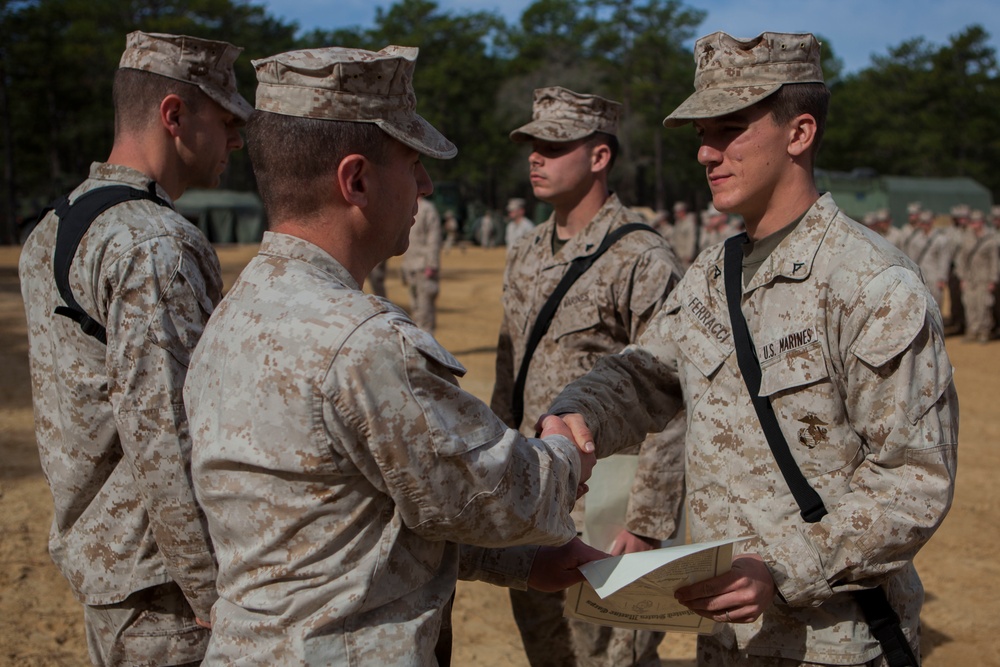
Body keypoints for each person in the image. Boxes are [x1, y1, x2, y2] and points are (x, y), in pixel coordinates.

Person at [183, 45, 602, 666]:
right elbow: (501, 495)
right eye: (413, 163)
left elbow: (355, 513)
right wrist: (570, 453)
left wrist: (523, 565)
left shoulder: (238, 312)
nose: (425, 187)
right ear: (356, 180)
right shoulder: (363, 341)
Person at [548, 31, 957, 666]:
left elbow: (914, 478)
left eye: (731, 129)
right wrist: (580, 410)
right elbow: (649, 374)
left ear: (799, 134)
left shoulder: (871, 283)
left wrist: (781, 568)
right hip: (725, 639)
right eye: (702, 135)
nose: (708, 153)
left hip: (831, 642)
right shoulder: (714, 273)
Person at [18, 31, 252, 666]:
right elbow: (165, 432)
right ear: (174, 114)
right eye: (227, 118)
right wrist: (214, 591)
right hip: (167, 587)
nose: (237, 138)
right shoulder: (155, 244)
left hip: (111, 560)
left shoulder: (57, 223)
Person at [492, 85, 685, 667]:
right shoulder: (525, 251)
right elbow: (510, 378)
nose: (536, 158)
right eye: (532, 144)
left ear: (599, 156)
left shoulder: (642, 257)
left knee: (611, 655)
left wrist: (648, 524)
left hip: (604, 509)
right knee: (549, 652)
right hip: (534, 499)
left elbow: (673, 394)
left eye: (553, 145)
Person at [955, 209, 999, 343]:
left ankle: (984, 331)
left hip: (984, 277)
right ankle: (972, 330)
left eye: (976, 222)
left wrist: (993, 279)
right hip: (969, 277)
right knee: (970, 304)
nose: (974, 224)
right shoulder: (966, 238)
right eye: (972, 222)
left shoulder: (990, 240)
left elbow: (994, 261)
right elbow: (961, 259)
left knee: (983, 305)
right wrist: (962, 277)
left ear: (982, 222)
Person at [401, 195, 442, 332]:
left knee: (425, 310)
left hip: (424, 267)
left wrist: (432, 264)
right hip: (411, 266)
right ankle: (419, 342)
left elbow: (434, 239)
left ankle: (427, 344)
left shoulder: (427, 209)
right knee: (415, 309)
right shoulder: (407, 207)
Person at [900, 208, 953, 314]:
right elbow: (911, 257)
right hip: (919, 275)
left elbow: (944, 259)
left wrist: (942, 278)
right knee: (920, 304)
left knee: (935, 304)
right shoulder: (915, 238)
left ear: (932, 222)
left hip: (934, 276)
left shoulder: (940, 239)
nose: (925, 225)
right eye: (922, 223)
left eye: (927, 223)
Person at [671, 199, 699, 271]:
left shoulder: (689, 223)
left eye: (678, 212)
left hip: (686, 256)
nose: (676, 214)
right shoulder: (678, 223)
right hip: (678, 254)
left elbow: (691, 239)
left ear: (683, 211)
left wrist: (689, 254)